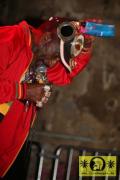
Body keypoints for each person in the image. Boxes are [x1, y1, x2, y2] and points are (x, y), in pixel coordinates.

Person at [0, 17, 93, 178]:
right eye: (57, 55)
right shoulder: (11, 38)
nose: (53, 63)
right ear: (46, 37)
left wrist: (85, 48)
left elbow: (65, 74)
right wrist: (23, 91)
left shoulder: (40, 55)